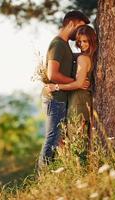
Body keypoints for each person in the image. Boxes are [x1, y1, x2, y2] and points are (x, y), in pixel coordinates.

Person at [38, 11, 90, 168]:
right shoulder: (58, 44)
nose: (81, 32)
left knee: (60, 139)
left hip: (61, 98)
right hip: (55, 98)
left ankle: (54, 172)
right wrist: (77, 82)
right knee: (52, 138)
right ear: (71, 24)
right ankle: (43, 175)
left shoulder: (65, 45)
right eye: (80, 27)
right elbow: (52, 74)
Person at [47, 25, 97, 149]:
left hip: (78, 103)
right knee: (77, 141)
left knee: (75, 142)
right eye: (79, 41)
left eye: (85, 41)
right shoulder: (89, 57)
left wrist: (56, 87)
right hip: (83, 101)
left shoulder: (82, 58)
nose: (81, 44)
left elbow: (79, 84)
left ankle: (76, 167)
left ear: (91, 40)